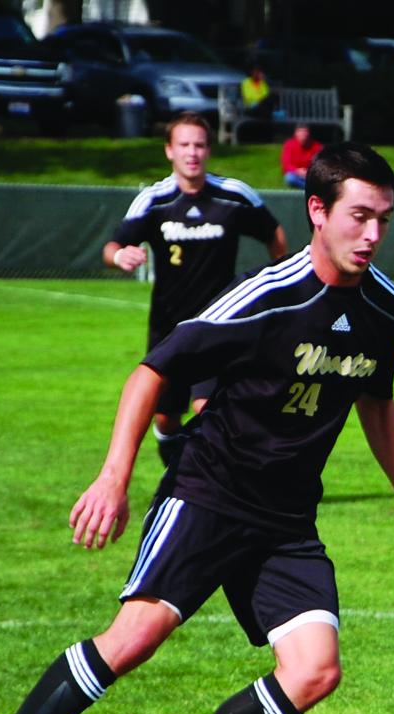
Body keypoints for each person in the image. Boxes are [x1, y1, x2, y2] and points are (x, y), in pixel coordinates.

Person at [0, 143, 394, 714]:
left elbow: (376, 401)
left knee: (314, 670)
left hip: (286, 519)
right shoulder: (268, 295)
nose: (372, 235)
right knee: (136, 636)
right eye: (359, 216)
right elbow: (150, 374)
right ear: (317, 210)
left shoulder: (388, 312)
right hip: (208, 492)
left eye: (383, 220)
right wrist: (113, 477)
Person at [104, 111, 289, 466]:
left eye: (200, 145)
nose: (193, 152)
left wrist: (278, 281)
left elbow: (273, 233)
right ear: (169, 151)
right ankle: (178, 469)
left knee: (208, 406)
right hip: (168, 325)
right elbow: (111, 248)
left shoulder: (234, 195)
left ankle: (212, 479)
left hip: (219, 322)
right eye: (184, 145)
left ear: (209, 150)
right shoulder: (154, 201)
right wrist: (120, 256)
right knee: (166, 418)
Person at [282, 124, 322, 190]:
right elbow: (286, 164)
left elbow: (320, 163)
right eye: (301, 132)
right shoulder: (289, 145)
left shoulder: (316, 146)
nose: (303, 135)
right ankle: (310, 188)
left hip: (310, 174)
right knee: (289, 178)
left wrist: (309, 171)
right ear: (296, 133)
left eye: (305, 132)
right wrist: (297, 171)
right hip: (296, 174)